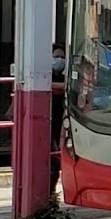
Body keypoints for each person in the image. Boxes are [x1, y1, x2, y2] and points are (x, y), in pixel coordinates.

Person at [50, 44, 67, 197]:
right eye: (56, 57)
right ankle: (50, 192)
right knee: (53, 158)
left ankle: (52, 192)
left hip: (61, 122)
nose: (59, 60)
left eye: (62, 57)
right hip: (49, 122)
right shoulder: (45, 73)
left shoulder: (67, 74)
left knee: (56, 158)